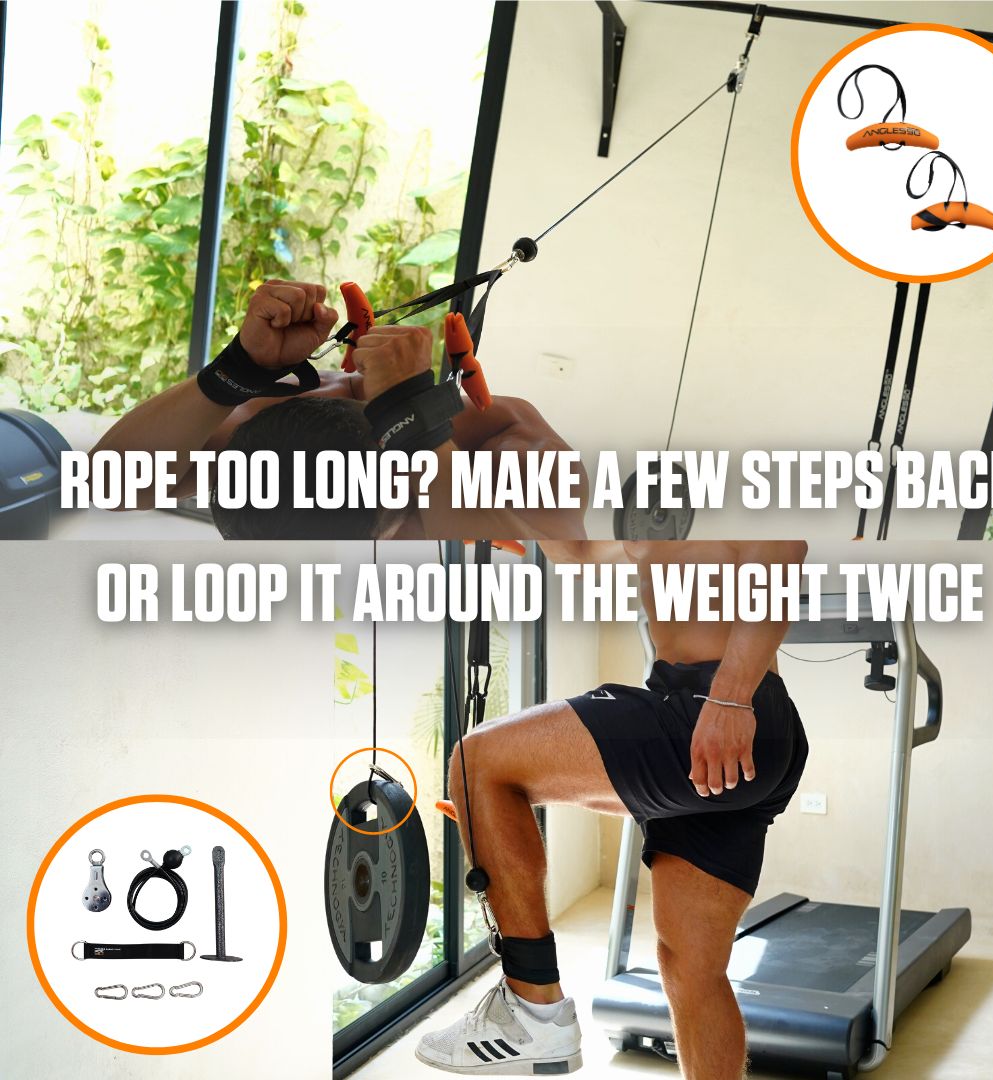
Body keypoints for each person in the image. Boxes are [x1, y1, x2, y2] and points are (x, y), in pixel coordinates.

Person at [416, 540, 809, 1079]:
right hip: (748, 737)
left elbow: (780, 557)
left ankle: (533, 1009)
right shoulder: (656, 507)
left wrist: (730, 698)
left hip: (714, 710)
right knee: (692, 967)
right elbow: (580, 551)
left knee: (476, 761)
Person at [91, 279, 586, 540]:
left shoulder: (279, 425)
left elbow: (105, 481)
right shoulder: (292, 499)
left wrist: (237, 369)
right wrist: (412, 421)